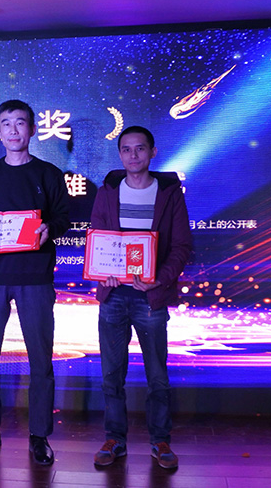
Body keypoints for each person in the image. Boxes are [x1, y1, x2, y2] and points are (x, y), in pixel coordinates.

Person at [0, 99, 70, 466]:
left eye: (20, 123)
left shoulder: (49, 174)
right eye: (6, 123)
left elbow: (63, 218)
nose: (13, 129)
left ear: (32, 129)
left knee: (40, 359)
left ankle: (39, 435)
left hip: (35, 278)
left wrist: (49, 228)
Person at [89, 125, 192, 470]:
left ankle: (160, 441)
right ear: (120, 154)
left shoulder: (169, 194)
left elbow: (181, 246)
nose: (133, 155)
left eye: (140, 148)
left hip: (150, 297)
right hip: (114, 294)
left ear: (152, 152)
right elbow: (98, 238)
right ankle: (114, 439)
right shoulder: (107, 191)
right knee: (111, 374)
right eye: (126, 149)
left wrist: (158, 280)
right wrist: (103, 270)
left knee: (157, 375)